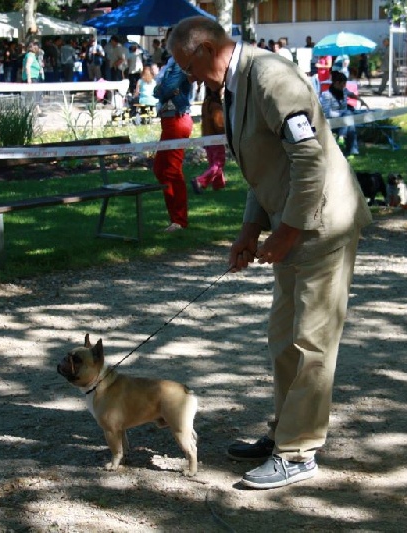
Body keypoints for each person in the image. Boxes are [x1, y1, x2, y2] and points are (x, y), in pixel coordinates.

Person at [167, 16, 371, 489]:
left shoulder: (270, 76)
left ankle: (299, 453)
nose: (188, 78)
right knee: (283, 340)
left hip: (322, 225)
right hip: (293, 228)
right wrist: (249, 230)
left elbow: (309, 156)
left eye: (186, 66)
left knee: (310, 343)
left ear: (205, 50)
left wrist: (287, 232)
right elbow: (265, 169)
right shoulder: (236, 85)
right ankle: (285, 433)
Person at [152, 32, 193, 233]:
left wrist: (162, 89)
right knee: (160, 169)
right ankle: (175, 219)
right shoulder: (172, 61)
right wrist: (162, 89)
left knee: (172, 171)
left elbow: (164, 89)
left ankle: (179, 221)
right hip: (169, 119)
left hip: (177, 119)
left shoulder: (180, 63)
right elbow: (159, 90)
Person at [319, 70, 365, 158]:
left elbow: (351, 94)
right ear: (336, 83)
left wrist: (360, 100)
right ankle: (351, 149)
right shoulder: (326, 95)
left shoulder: (344, 91)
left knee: (350, 123)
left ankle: (343, 139)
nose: (344, 86)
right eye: (342, 84)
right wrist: (342, 114)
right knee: (348, 115)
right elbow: (327, 113)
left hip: (344, 121)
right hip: (331, 121)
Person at [191, 87, 226, 193]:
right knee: (219, 163)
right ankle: (200, 181)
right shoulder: (216, 106)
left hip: (207, 137)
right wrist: (225, 135)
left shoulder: (206, 103)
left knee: (213, 163)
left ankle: (218, 185)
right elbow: (219, 124)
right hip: (216, 138)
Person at [22, 41, 45, 115]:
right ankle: (36, 111)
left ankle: (32, 110)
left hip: (32, 77)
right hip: (32, 77)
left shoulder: (31, 55)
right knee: (34, 94)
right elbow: (27, 66)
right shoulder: (30, 55)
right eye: (36, 46)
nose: (38, 48)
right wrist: (29, 79)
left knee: (32, 95)